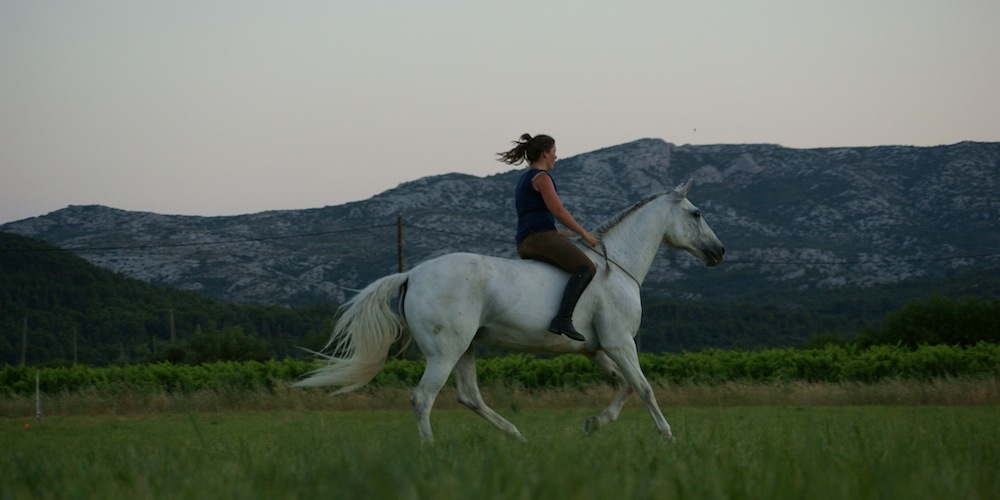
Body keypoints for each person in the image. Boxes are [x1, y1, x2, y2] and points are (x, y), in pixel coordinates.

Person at [497, 133, 598, 341]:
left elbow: (532, 215)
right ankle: (563, 318)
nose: (556, 157)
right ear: (545, 154)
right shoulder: (541, 177)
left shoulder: (524, 179)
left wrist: (560, 234)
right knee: (587, 268)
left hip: (526, 240)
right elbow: (558, 211)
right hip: (539, 238)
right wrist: (583, 233)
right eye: (554, 152)